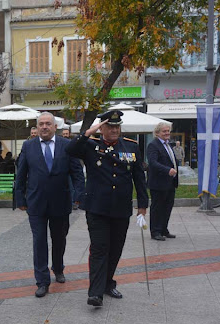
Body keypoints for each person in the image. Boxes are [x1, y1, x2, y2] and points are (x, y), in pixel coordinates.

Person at [66, 110, 148, 307]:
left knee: (115, 249)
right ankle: (95, 293)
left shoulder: (131, 147)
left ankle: (108, 283)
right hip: (97, 209)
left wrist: (143, 205)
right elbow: (70, 150)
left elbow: (139, 178)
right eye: (110, 126)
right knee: (100, 249)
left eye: (117, 127)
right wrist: (87, 132)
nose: (114, 130)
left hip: (121, 208)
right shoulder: (91, 146)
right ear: (102, 128)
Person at [15, 112, 85, 297]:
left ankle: (58, 267)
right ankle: (42, 281)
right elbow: (21, 174)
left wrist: (79, 194)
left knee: (59, 238)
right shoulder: (28, 146)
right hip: (36, 203)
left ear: (55, 127)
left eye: (48, 124)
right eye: (41, 124)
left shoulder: (67, 145)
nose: (44, 127)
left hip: (60, 201)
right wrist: (19, 198)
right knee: (39, 241)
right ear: (37, 128)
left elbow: (77, 172)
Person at [147, 123, 178, 241]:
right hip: (158, 183)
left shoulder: (168, 144)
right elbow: (153, 163)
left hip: (170, 183)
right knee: (157, 208)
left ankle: (164, 229)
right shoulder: (153, 145)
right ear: (157, 133)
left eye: (168, 131)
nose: (167, 133)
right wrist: (167, 170)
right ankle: (155, 231)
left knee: (167, 207)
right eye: (164, 131)